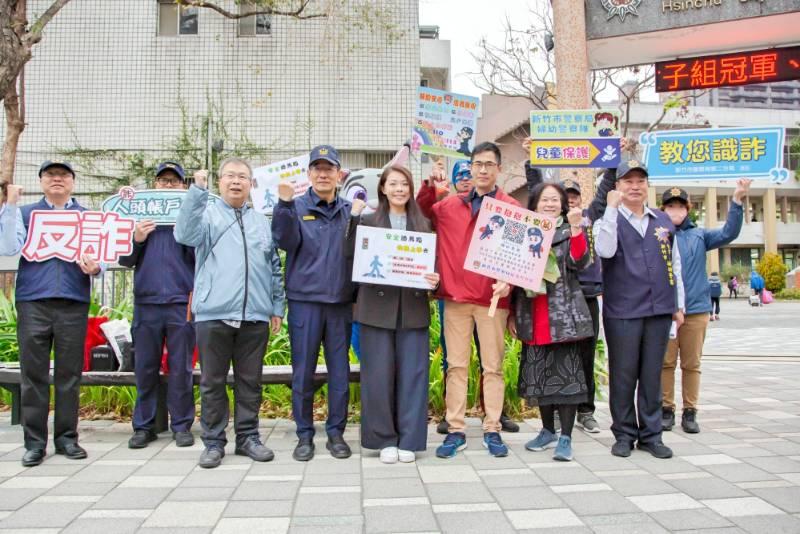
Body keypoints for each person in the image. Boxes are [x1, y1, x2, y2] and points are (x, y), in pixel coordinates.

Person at [174, 159, 285, 469]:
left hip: (255, 315)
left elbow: (274, 267)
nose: (236, 182)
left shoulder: (262, 221)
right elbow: (183, 234)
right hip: (214, 313)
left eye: (243, 177)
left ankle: (248, 437)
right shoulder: (206, 215)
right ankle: (213, 441)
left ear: (251, 184)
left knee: (251, 381)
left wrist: (276, 306)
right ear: (220, 182)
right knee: (212, 381)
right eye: (230, 176)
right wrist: (197, 190)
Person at [419, 141, 517, 459]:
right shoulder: (449, 206)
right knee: (456, 367)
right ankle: (456, 429)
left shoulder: (510, 208)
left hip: (492, 300)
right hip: (457, 298)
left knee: (493, 368)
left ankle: (492, 429)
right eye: (478, 164)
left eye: (489, 164)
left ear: (498, 169)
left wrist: (510, 283)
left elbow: (523, 257)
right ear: (470, 168)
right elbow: (420, 215)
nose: (483, 169)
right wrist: (430, 187)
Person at [0, 161, 101, 467]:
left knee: (70, 375)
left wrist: (96, 268)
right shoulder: (26, 213)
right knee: (34, 375)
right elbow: (7, 246)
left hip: (73, 300)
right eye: (50, 176)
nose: (57, 180)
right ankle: (34, 443)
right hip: (33, 302)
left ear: (72, 182)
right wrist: (11, 204)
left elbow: (100, 257)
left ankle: (67, 439)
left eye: (63, 176)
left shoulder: (86, 216)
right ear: (41, 182)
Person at [523, 139, 620, 435]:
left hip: (585, 299)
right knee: (552, 361)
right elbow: (536, 190)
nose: (570, 201)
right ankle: (551, 419)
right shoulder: (539, 228)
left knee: (583, 359)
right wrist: (531, 160)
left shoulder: (586, 219)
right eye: (566, 197)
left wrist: (614, 160)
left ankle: (586, 411)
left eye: (572, 197)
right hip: (549, 303)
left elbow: (604, 194)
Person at [346, 166, 439, 464]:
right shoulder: (368, 221)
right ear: (383, 188)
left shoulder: (423, 224)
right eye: (393, 184)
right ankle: (383, 438)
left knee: (414, 375)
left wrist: (435, 280)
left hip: (412, 309)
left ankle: (410, 439)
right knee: (378, 375)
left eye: (404, 184)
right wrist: (351, 221)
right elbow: (351, 257)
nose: (399, 189)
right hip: (376, 308)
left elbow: (434, 263)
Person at [593, 160, 685, 459]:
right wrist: (609, 208)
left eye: (640, 181)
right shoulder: (607, 219)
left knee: (651, 374)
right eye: (628, 181)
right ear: (617, 186)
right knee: (623, 374)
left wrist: (678, 304)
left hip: (659, 308)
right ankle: (623, 433)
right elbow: (604, 250)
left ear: (647, 186)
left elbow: (675, 264)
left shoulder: (661, 219)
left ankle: (651, 434)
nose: (634, 187)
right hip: (623, 310)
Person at [272, 145, 355, 462]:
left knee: (339, 374)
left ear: (338, 175)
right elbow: (283, 241)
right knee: (302, 373)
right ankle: (304, 435)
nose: (323, 174)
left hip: (339, 304)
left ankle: (336, 433)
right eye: (317, 168)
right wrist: (283, 203)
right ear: (308, 174)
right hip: (305, 303)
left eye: (329, 168)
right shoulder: (295, 207)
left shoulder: (350, 211)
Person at [510, 183, 593, 461]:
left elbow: (580, 261)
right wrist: (512, 313)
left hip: (562, 315)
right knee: (540, 375)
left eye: (555, 200)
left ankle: (566, 436)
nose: (549, 204)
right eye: (544, 199)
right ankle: (547, 430)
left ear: (563, 205)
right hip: (533, 313)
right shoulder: (523, 232)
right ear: (534, 204)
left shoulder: (570, 231)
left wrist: (578, 229)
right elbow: (512, 273)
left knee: (566, 378)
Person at [659, 182, 747, 434]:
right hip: (666, 311)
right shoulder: (657, 234)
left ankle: (690, 411)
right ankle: (666, 408)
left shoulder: (699, 236)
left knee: (691, 363)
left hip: (696, 310)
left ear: (688, 209)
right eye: (670, 206)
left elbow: (729, 232)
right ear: (663, 209)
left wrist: (737, 201)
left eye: (679, 206)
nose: (675, 211)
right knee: (665, 363)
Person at [119, 162, 196, 449]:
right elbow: (124, 260)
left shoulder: (189, 218)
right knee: (145, 367)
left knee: (181, 367)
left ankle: (181, 425)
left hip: (181, 302)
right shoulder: (138, 218)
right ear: (154, 184)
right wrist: (137, 239)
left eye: (173, 181)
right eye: (163, 180)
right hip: (146, 302)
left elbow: (200, 258)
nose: (167, 185)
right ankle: (144, 426)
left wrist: (185, 231)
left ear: (182, 187)